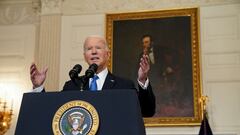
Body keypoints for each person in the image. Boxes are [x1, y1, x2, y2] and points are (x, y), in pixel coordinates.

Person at [30, 35, 155, 117]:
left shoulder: (124, 85)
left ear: (108, 54)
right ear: (85, 56)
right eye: (89, 49)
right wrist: (38, 87)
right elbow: (53, 113)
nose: (94, 51)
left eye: (98, 48)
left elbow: (147, 111)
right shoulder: (72, 85)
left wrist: (142, 80)